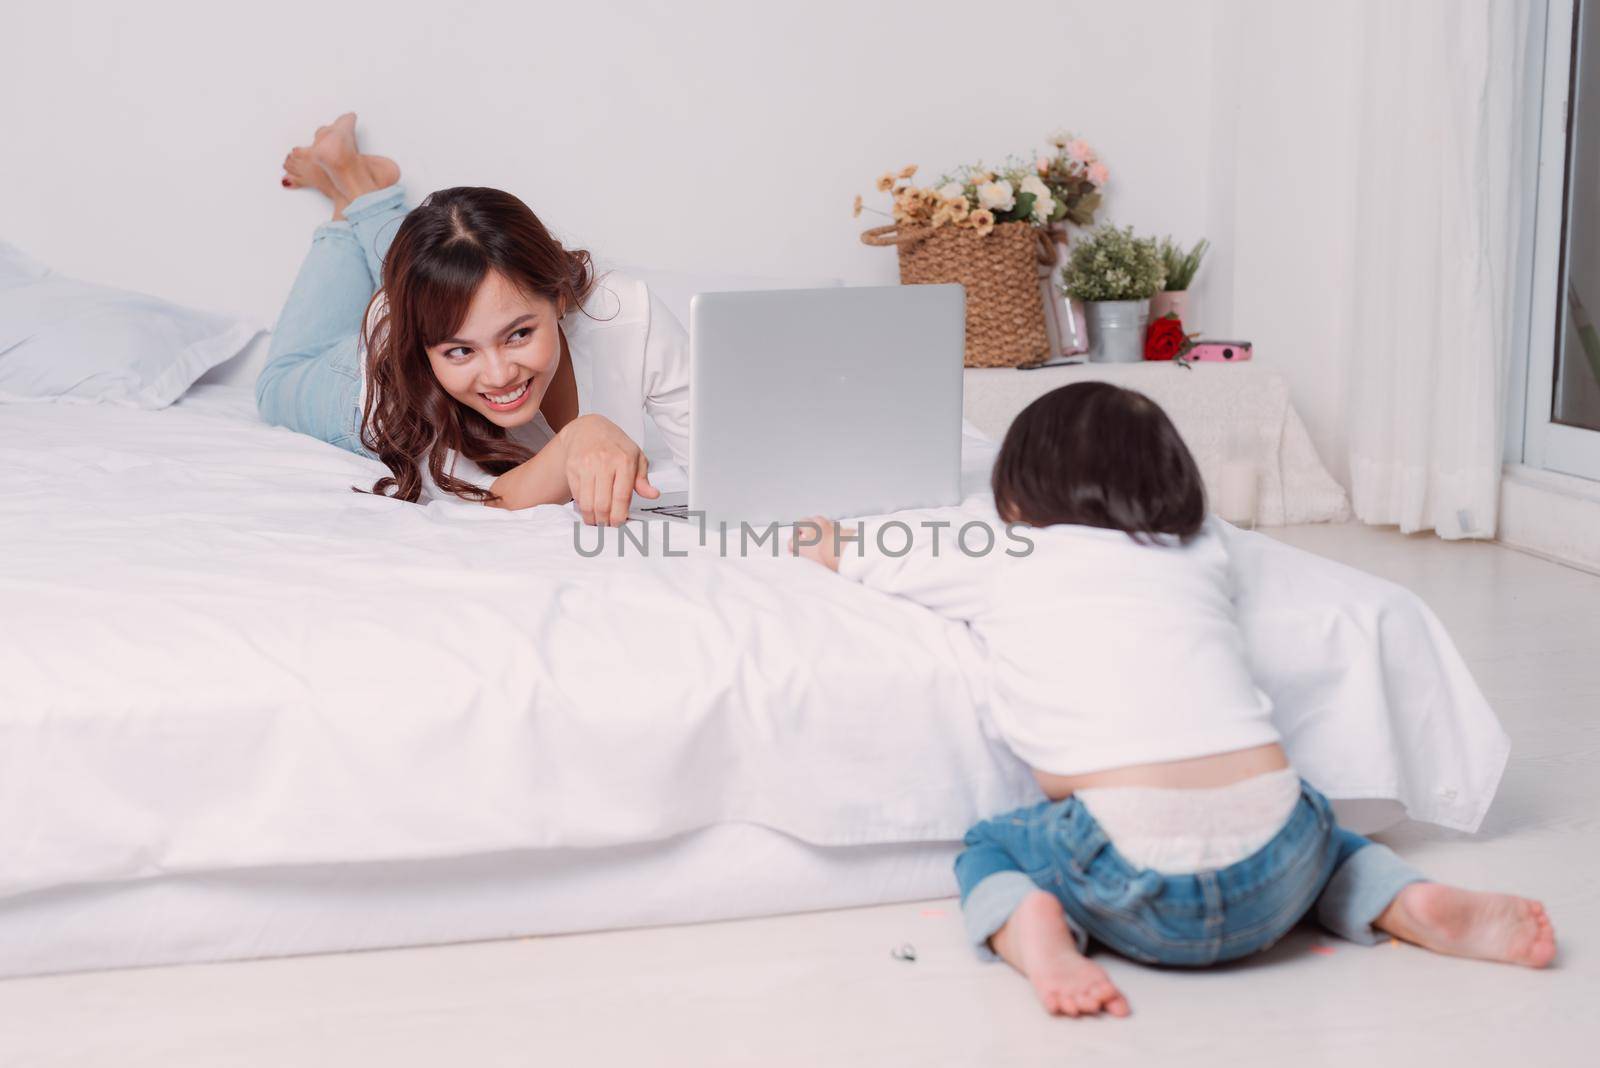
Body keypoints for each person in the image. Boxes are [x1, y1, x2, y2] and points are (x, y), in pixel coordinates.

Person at [792, 382, 1556, 1018]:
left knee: (991, 843)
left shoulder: (997, 552)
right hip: (1282, 860)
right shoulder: (1202, 547)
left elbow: (854, 553)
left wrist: (826, 536)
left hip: (1131, 887)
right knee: (1331, 835)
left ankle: (1033, 936)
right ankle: (1404, 901)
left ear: (1014, 496)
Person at [259, 113, 687, 525]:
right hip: (370, 374)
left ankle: (357, 181)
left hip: (444, 301)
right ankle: (348, 194)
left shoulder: (629, 317)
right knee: (275, 386)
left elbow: (727, 456)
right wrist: (579, 436)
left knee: (456, 265)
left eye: (518, 334)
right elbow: (493, 497)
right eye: (460, 350)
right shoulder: (402, 390)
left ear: (557, 297)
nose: (500, 375)